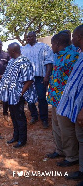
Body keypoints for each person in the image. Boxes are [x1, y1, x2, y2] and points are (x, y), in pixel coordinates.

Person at [46, 32, 79, 167]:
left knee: (67, 130)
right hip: (55, 98)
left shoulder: (72, 57)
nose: (51, 46)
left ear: (58, 44)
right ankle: (60, 150)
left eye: (52, 44)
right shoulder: (57, 55)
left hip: (65, 101)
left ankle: (72, 157)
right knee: (56, 126)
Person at [0, 43, 37, 148]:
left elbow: (29, 80)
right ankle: (16, 136)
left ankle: (22, 140)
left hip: (18, 95)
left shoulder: (24, 62)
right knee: (13, 115)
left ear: (13, 51)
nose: (7, 51)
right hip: (10, 95)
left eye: (8, 50)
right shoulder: (11, 61)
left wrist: (20, 93)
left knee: (20, 116)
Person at [57, 25, 83, 184]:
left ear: (79, 37)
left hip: (81, 108)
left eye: (74, 36)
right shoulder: (80, 55)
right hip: (73, 105)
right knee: (80, 138)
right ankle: (80, 170)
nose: (71, 39)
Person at [21, 31, 54, 128]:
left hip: (40, 77)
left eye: (31, 37)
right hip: (28, 78)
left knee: (42, 98)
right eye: (27, 37)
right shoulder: (23, 49)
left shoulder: (44, 47)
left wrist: (47, 76)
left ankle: (44, 119)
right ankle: (34, 116)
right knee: (30, 98)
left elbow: (49, 62)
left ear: (35, 37)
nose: (29, 38)